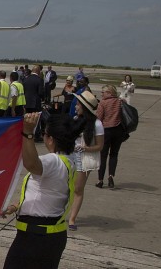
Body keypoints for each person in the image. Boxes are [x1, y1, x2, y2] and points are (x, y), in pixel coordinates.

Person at [1, 112, 79, 269]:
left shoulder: (52, 161)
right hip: (51, 236)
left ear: (50, 139)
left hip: (36, 238)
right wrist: (16, 206)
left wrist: (28, 133)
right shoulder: (70, 160)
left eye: (44, 134)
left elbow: (31, 164)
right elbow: (47, 193)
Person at [68, 91, 104, 231]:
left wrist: (84, 148)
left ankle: (72, 218)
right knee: (67, 185)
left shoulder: (97, 124)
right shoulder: (76, 119)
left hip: (84, 158)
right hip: (71, 156)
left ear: (85, 107)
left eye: (78, 104)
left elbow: (99, 146)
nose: (76, 106)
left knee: (78, 189)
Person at [97, 85, 125, 189]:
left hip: (106, 130)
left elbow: (99, 118)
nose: (101, 94)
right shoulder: (120, 101)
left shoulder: (103, 103)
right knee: (114, 154)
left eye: (103, 92)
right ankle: (111, 176)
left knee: (103, 156)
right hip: (118, 130)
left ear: (109, 93)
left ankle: (100, 180)